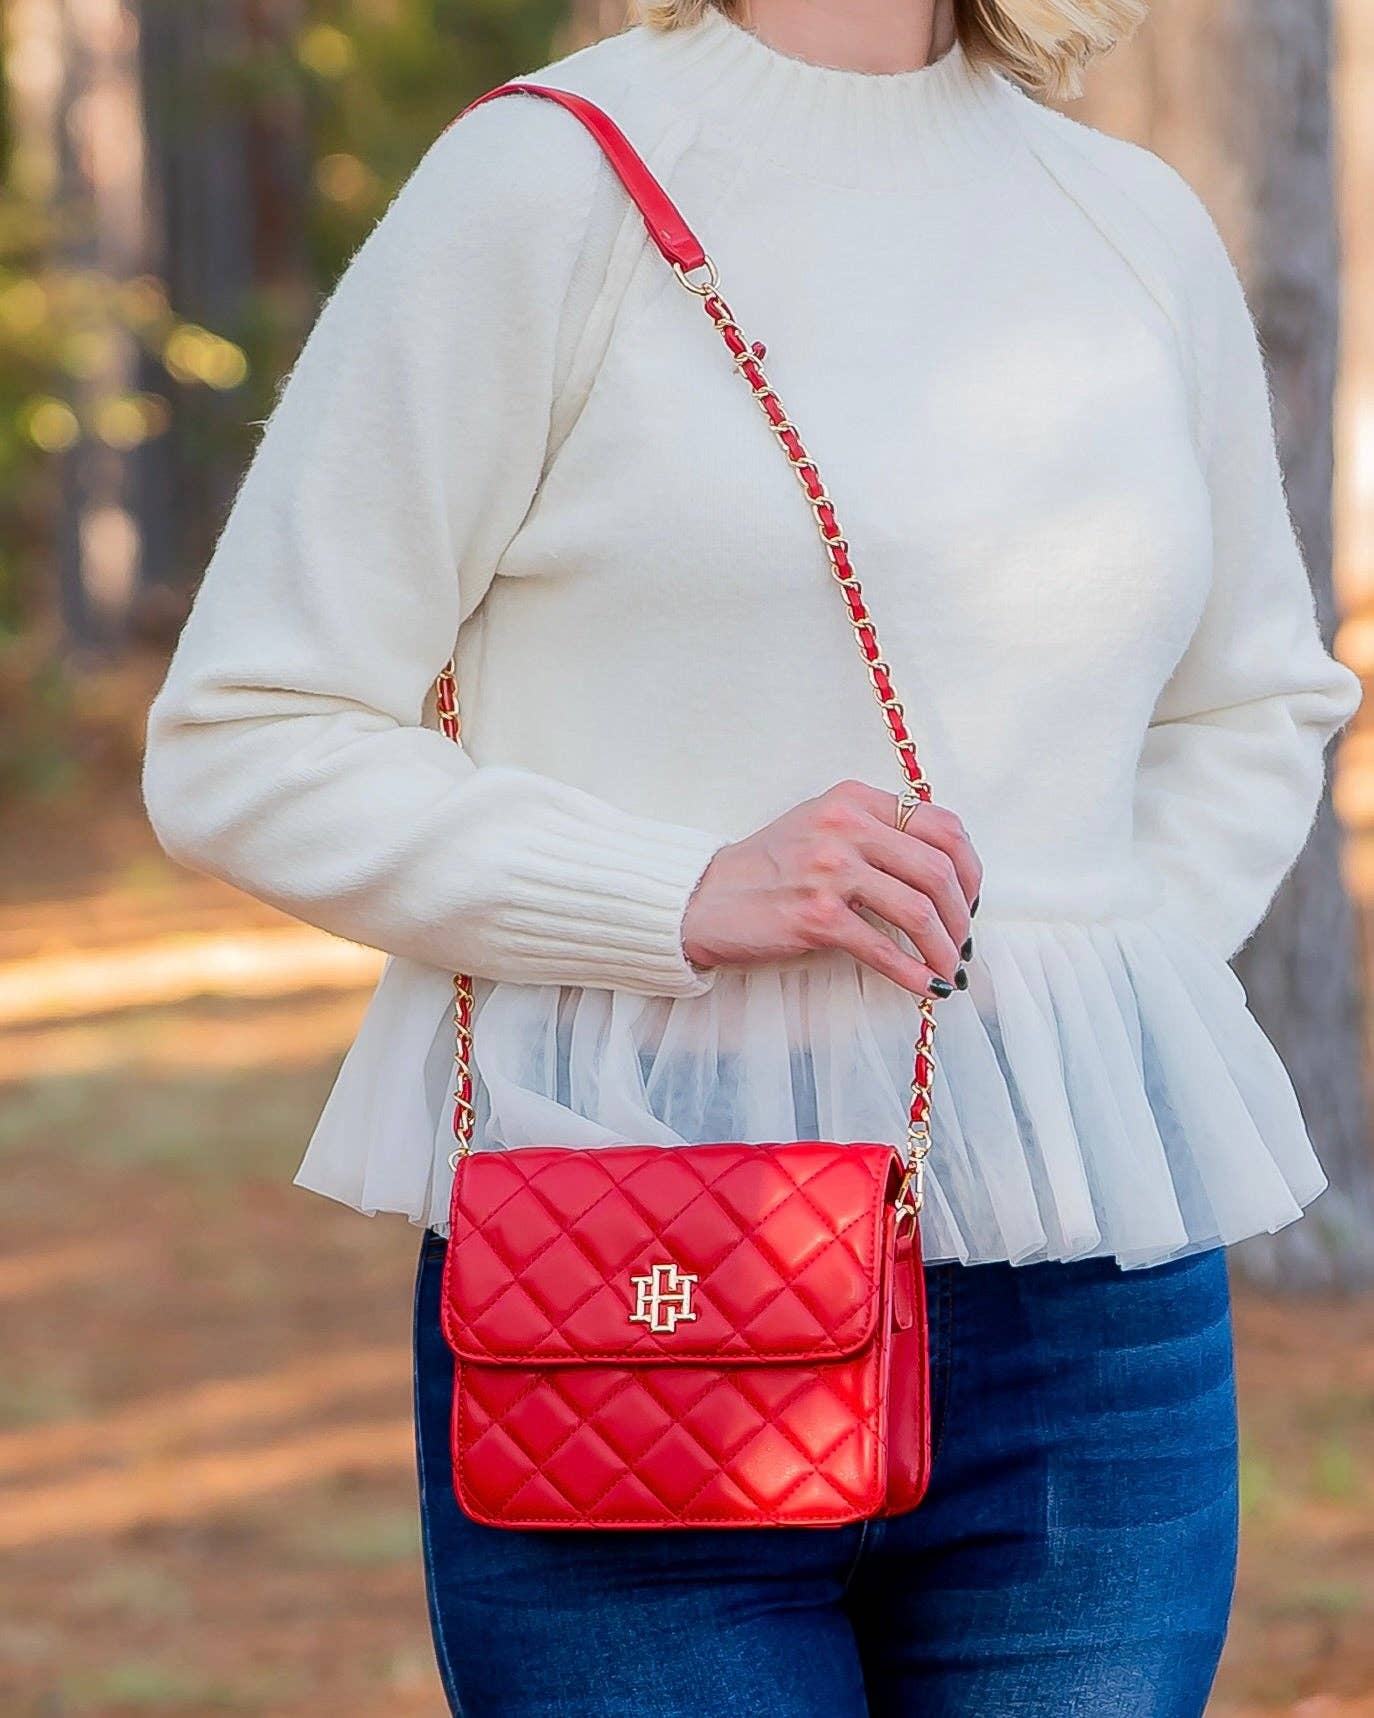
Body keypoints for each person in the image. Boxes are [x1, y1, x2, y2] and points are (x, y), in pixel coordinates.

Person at [143, 0, 1362, 1711]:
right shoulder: (544, 185)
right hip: (640, 1269)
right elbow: (248, 733)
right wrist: (676, 891)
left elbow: (1253, 695)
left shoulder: (1126, 218)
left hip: (1088, 1310)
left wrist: (1091, 972)